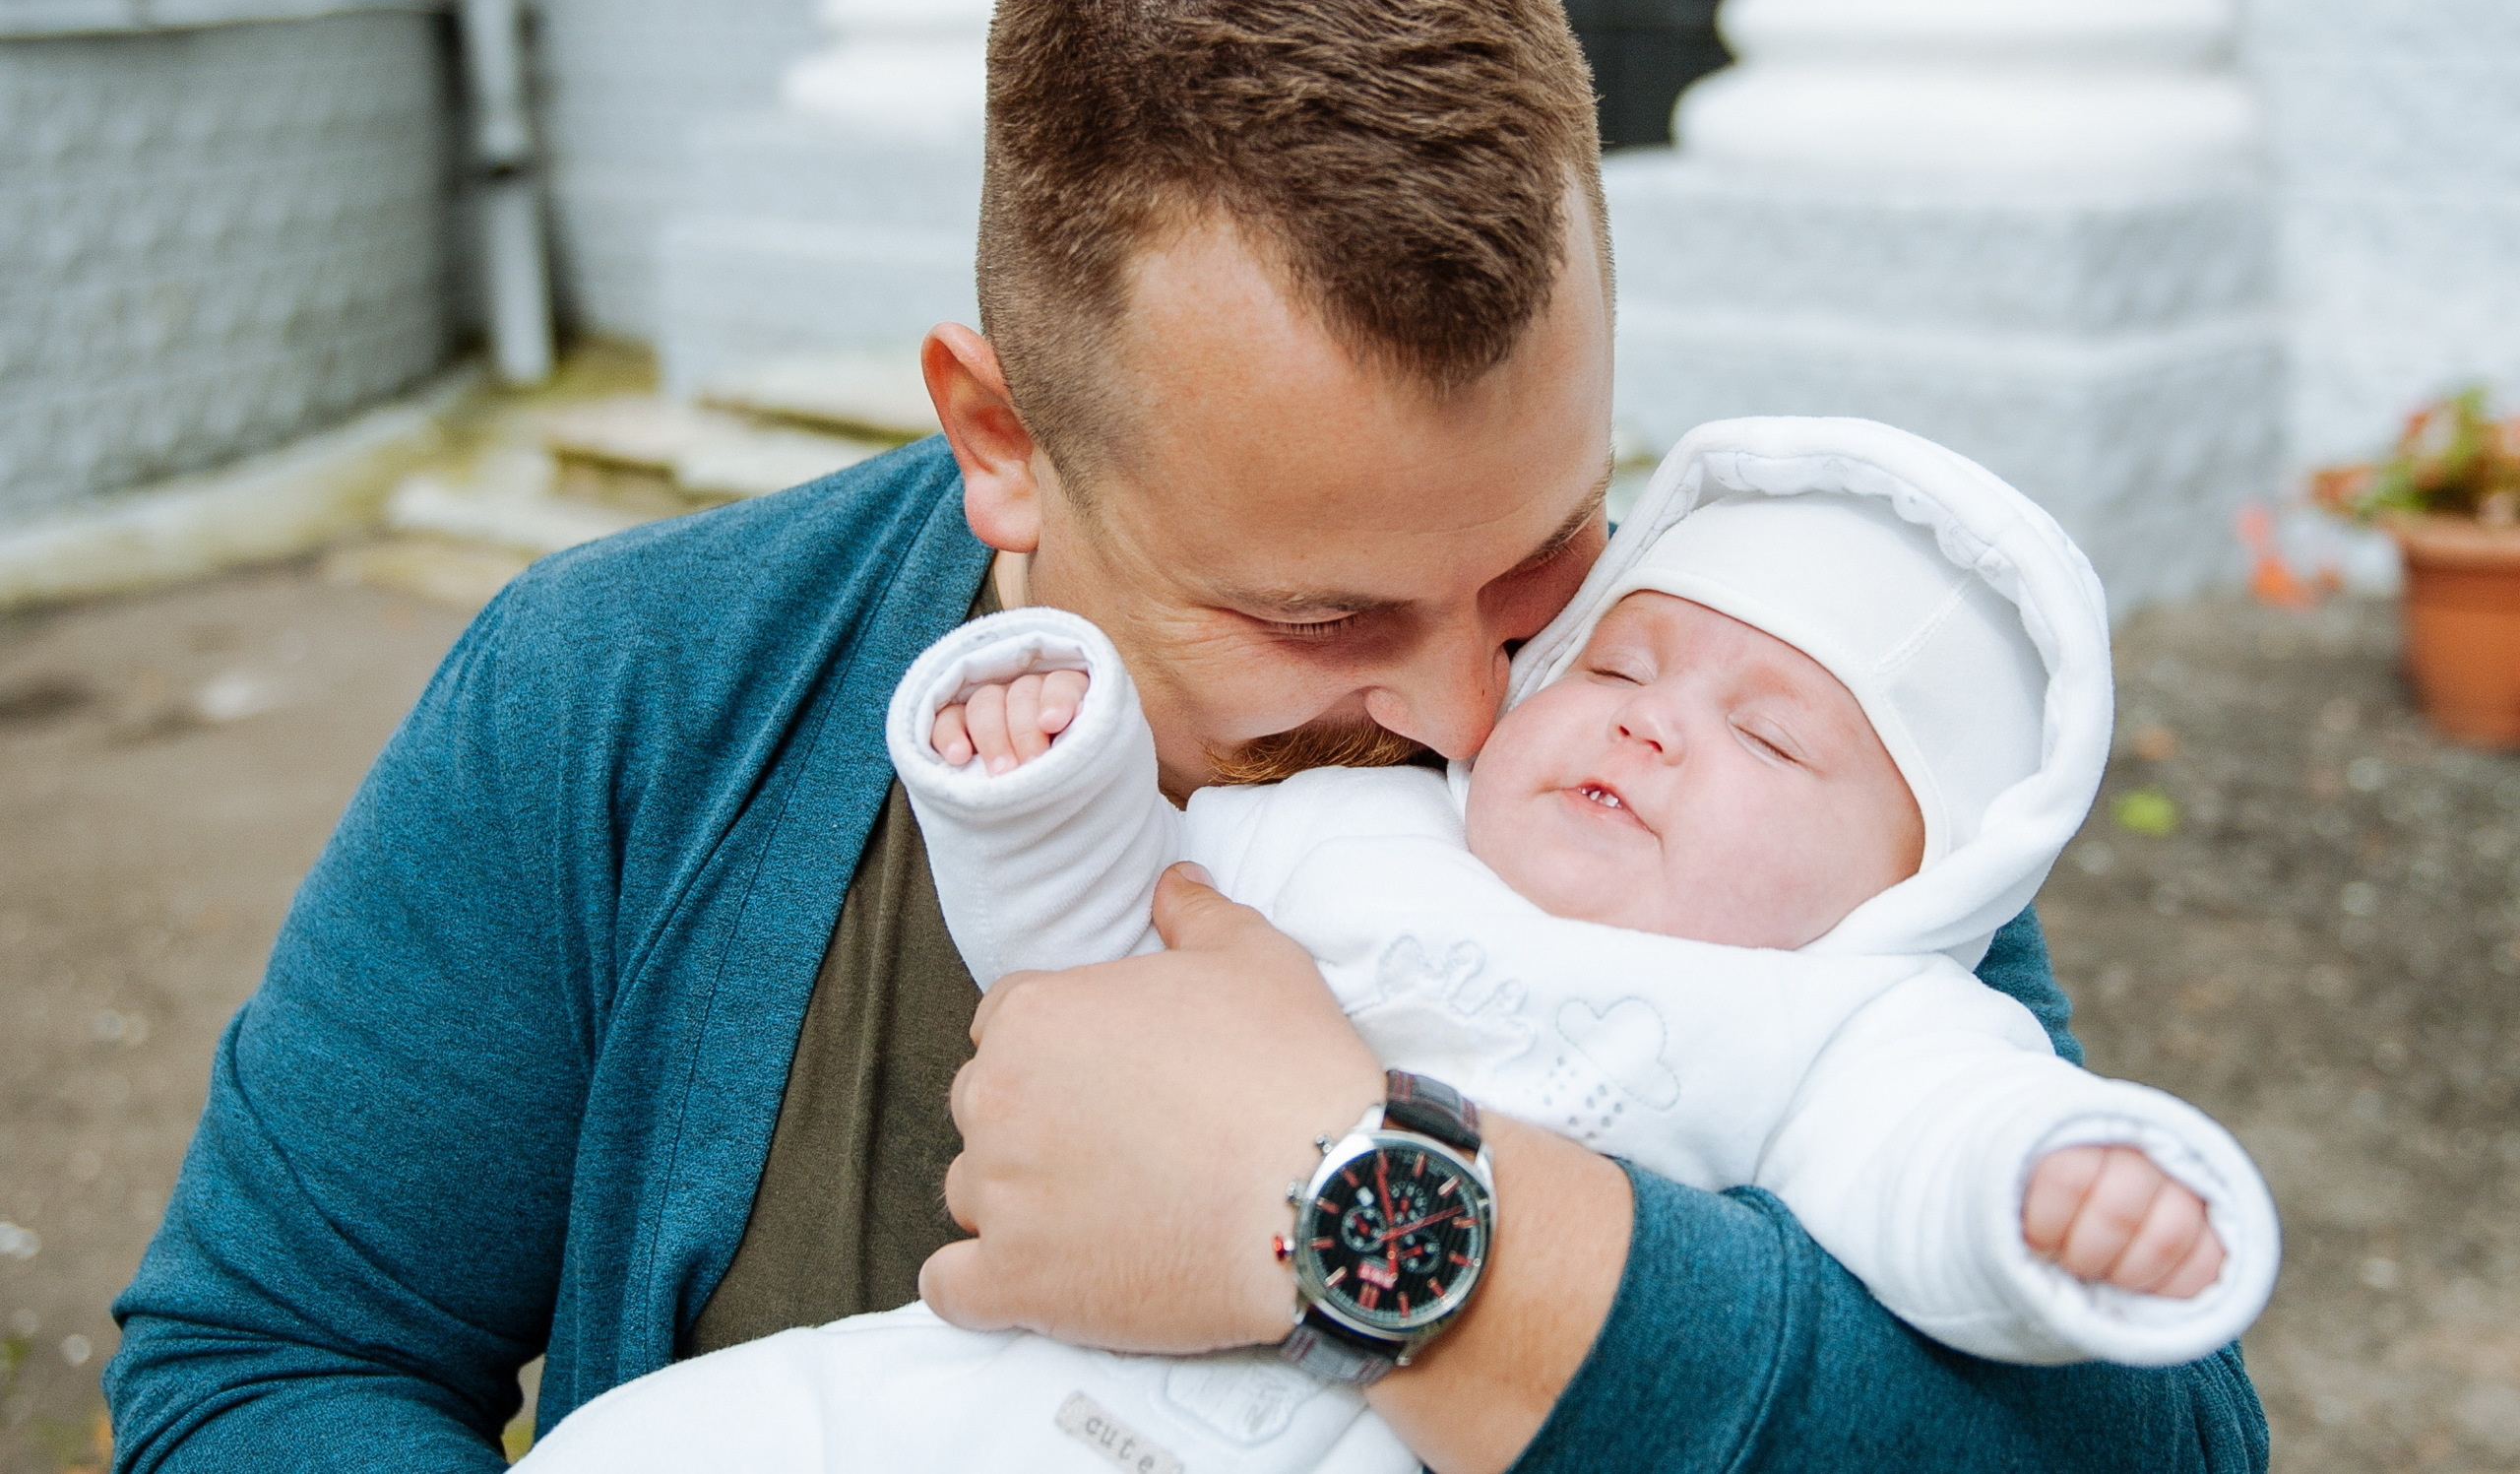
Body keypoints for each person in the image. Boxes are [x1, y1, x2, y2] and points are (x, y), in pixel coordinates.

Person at [104, 0, 2269, 1474]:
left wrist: (1371, 1226)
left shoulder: (1728, 733)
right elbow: (266, 1365)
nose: (1472, 710)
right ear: (1000, 442)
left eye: (1542, 556)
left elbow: (2152, 1437)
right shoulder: (626, 692)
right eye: (1319, 616)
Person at [511, 417, 2279, 1474]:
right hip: (988, 1403)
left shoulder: (1854, 1016)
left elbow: (1948, 1166)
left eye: (1770, 736)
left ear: (1915, 881)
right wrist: (1041, 784)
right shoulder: (1349, 829)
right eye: (1621, 663)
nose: (1653, 720)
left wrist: (2054, 1200)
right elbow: (1090, 959)